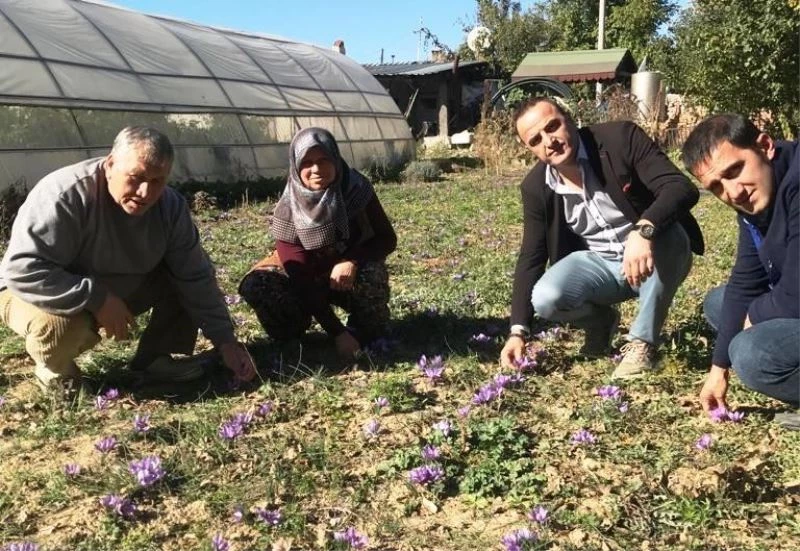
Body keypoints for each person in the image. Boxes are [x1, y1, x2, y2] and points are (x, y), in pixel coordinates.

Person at [0, 126, 256, 397]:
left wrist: (226, 341)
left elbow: (195, 277)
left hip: (116, 283)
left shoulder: (169, 207)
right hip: (31, 291)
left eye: (158, 180)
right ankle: (55, 371)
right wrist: (96, 298)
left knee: (182, 279)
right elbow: (22, 269)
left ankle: (154, 358)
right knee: (57, 328)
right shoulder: (65, 196)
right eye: (136, 177)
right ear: (110, 165)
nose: (145, 192)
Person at [500, 97, 704, 378]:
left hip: (656, 254)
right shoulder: (537, 187)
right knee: (546, 298)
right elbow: (531, 256)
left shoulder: (620, 138)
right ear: (530, 149)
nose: (549, 141)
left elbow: (680, 187)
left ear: (570, 119)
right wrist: (518, 332)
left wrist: (643, 229)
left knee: (668, 234)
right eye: (536, 140)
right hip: (603, 266)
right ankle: (600, 322)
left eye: (552, 127)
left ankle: (643, 344)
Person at [682, 114, 799, 427]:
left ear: (765, 146)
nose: (733, 193)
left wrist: (755, 316)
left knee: (751, 354)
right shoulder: (758, 196)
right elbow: (746, 281)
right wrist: (718, 369)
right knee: (720, 304)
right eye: (717, 187)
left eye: (734, 171)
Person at [239, 127, 397, 359]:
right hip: (308, 278)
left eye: (324, 159)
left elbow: (387, 238)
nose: (316, 169)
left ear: (335, 158)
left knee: (371, 272)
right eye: (307, 162)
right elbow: (300, 276)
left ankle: (365, 328)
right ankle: (293, 332)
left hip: (344, 278)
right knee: (259, 283)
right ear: (296, 167)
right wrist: (337, 333)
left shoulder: (356, 189)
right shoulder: (288, 209)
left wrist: (352, 260)